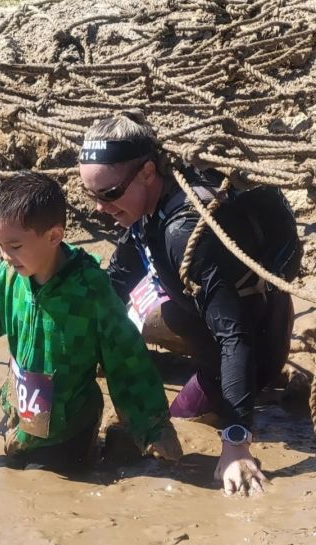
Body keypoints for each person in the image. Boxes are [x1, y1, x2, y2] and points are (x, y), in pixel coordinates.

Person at [79, 110, 300, 495]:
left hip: (254, 339)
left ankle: (237, 389)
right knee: (137, 314)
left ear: (148, 172)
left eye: (109, 193)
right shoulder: (149, 205)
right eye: (92, 195)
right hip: (200, 314)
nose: (100, 207)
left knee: (182, 419)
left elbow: (236, 339)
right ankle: (180, 366)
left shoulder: (183, 233)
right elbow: (113, 283)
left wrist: (235, 446)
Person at [0, 171, 182, 469]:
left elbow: (126, 358)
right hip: (20, 413)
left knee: (48, 487)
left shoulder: (90, 291)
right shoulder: (9, 278)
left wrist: (154, 428)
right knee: (13, 471)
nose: (5, 256)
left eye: (15, 246)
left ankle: (118, 441)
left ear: (53, 236)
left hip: (67, 429)